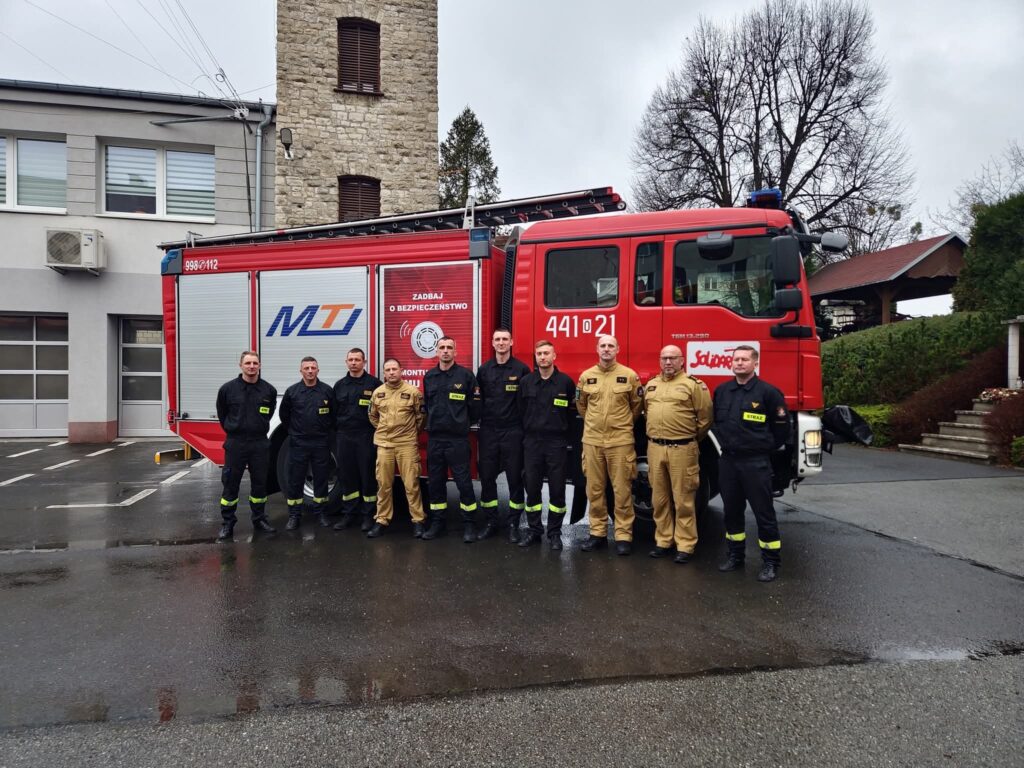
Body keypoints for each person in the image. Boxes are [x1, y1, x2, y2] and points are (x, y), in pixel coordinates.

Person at [713, 345, 790, 582]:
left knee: (763, 513)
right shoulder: (722, 391)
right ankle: (735, 556)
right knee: (731, 511)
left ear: (755, 363)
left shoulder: (768, 392)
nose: (739, 363)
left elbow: (781, 429)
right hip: (728, 461)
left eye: (744, 359)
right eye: (736, 359)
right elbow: (716, 422)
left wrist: (762, 447)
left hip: (755, 462)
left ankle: (771, 562)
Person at [644, 345, 712, 563]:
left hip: (682, 449)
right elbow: (645, 412)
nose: (668, 362)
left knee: (684, 500)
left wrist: (688, 439)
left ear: (682, 361)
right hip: (655, 449)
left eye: (673, 358)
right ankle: (663, 541)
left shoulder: (694, 385)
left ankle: (685, 544)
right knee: (659, 499)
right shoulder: (651, 385)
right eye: (664, 358)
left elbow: (705, 419)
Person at [576, 335, 643, 555]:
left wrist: (621, 426)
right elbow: (581, 406)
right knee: (594, 490)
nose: (606, 349)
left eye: (610, 346)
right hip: (592, 441)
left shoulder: (629, 376)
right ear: (597, 349)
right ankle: (597, 534)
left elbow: (636, 407)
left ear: (618, 349)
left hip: (620, 441)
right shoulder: (586, 376)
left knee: (622, 491)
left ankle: (623, 536)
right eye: (603, 345)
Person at [518, 340, 576, 550]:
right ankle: (534, 530)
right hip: (532, 442)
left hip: (555, 443)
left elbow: (571, 413)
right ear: (535, 357)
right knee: (532, 488)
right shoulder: (526, 382)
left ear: (554, 356)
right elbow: (520, 411)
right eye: (539, 354)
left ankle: (554, 533)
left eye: (546, 353)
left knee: (557, 489)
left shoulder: (565, 383)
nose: (542, 357)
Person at [214, 350, 278, 540]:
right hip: (236, 443)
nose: (251, 367)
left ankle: (259, 519)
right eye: (248, 363)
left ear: (260, 365)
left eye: (255, 363)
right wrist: (233, 428)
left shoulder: (268, 390)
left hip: (259, 443)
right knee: (230, 484)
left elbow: (269, 412)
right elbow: (222, 413)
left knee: (260, 484)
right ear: (241, 365)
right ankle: (227, 523)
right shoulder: (228, 389)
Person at [422, 336, 481, 542]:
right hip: (435, 439)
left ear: (455, 352)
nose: (445, 351)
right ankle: (437, 523)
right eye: (442, 347)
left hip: (457, 440)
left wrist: (461, 423)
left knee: (464, 483)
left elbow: (475, 407)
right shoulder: (429, 377)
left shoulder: (465, 376)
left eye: (449, 347)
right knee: (435, 483)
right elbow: (427, 405)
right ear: (436, 352)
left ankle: (469, 524)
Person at [475, 328, 530, 543]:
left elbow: (526, 402)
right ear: (492, 343)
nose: (501, 343)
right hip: (488, 431)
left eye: (505, 339)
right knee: (487, 478)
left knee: (515, 478)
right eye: (497, 339)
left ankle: (514, 524)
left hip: (513, 431)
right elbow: (478, 399)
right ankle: (491, 522)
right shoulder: (484, 370)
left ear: (511, 342)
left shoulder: (521, 369)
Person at [366, 358, 427, 537]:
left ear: (401, 370)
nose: (391, 372)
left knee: (411, 484)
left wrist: (409, 433)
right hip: (384, 444)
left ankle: (418, 520)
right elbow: (372, 416)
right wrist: (383, 430)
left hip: (406, 444)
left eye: (394, 369)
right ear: (384, 373)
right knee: (383, 484)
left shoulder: (413, 392)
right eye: (388, 370)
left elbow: (421, 417)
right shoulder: (378, 393)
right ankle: (382, 519)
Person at [279, 356, 335, 530]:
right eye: (306, 368)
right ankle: (294, 516)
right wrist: (295, 432)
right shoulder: (292, 392)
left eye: (313, 368)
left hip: (320, 442)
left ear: (318, 370)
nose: (310, 371)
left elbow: (334, 415)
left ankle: (321, 513)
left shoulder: (327, 391)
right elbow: (284, 415)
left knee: (321, 479)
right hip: (299, 443)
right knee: (295, 480)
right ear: (301, 371)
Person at [332, 348, 382, 532]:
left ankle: (368, 515)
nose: (353, 363)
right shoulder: (339, 385)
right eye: (351, 359)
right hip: (344, 436)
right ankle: (349, 514)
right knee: (347, 476)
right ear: (346, 362)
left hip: (365, 436)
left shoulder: (374, 384)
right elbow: (333, 412)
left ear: (364, 362)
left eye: (357, 359)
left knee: (368, 476)